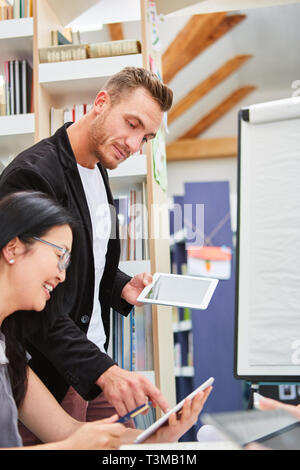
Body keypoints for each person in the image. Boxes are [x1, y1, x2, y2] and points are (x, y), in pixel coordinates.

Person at [0, 66, 174, 444]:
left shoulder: (99, 170)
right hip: (49, 370)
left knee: (141, 444)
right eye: (131, 124)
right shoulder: (33, 175)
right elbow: (30, 290)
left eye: (145, 137)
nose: (133, 144)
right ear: (100, 103)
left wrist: (123, 286)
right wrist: (103, 371)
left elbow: (83, 261)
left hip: (94, 357)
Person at [0, 191, 213, 449]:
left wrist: (159, 437)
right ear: (13, 247)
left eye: (67, 262)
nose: (62, 276)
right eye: (59, 256)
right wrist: (73, 445)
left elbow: (67, 430)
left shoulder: (10, 351)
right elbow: (70, 441)